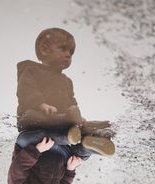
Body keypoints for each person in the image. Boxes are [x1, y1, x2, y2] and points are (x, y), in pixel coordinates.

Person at [15, 27, 115, 155]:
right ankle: (74, 132)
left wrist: (76, 114)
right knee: (40, 126)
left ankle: (89, 139)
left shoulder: (67, 81)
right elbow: (26, 90)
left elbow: (71, 102)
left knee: (72, 122)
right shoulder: (31, 71)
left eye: (71, 52)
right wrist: (40, 104)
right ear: (44, 49)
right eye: (63, 49)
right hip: (35, 119)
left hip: (61, 121)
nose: (68, 54)